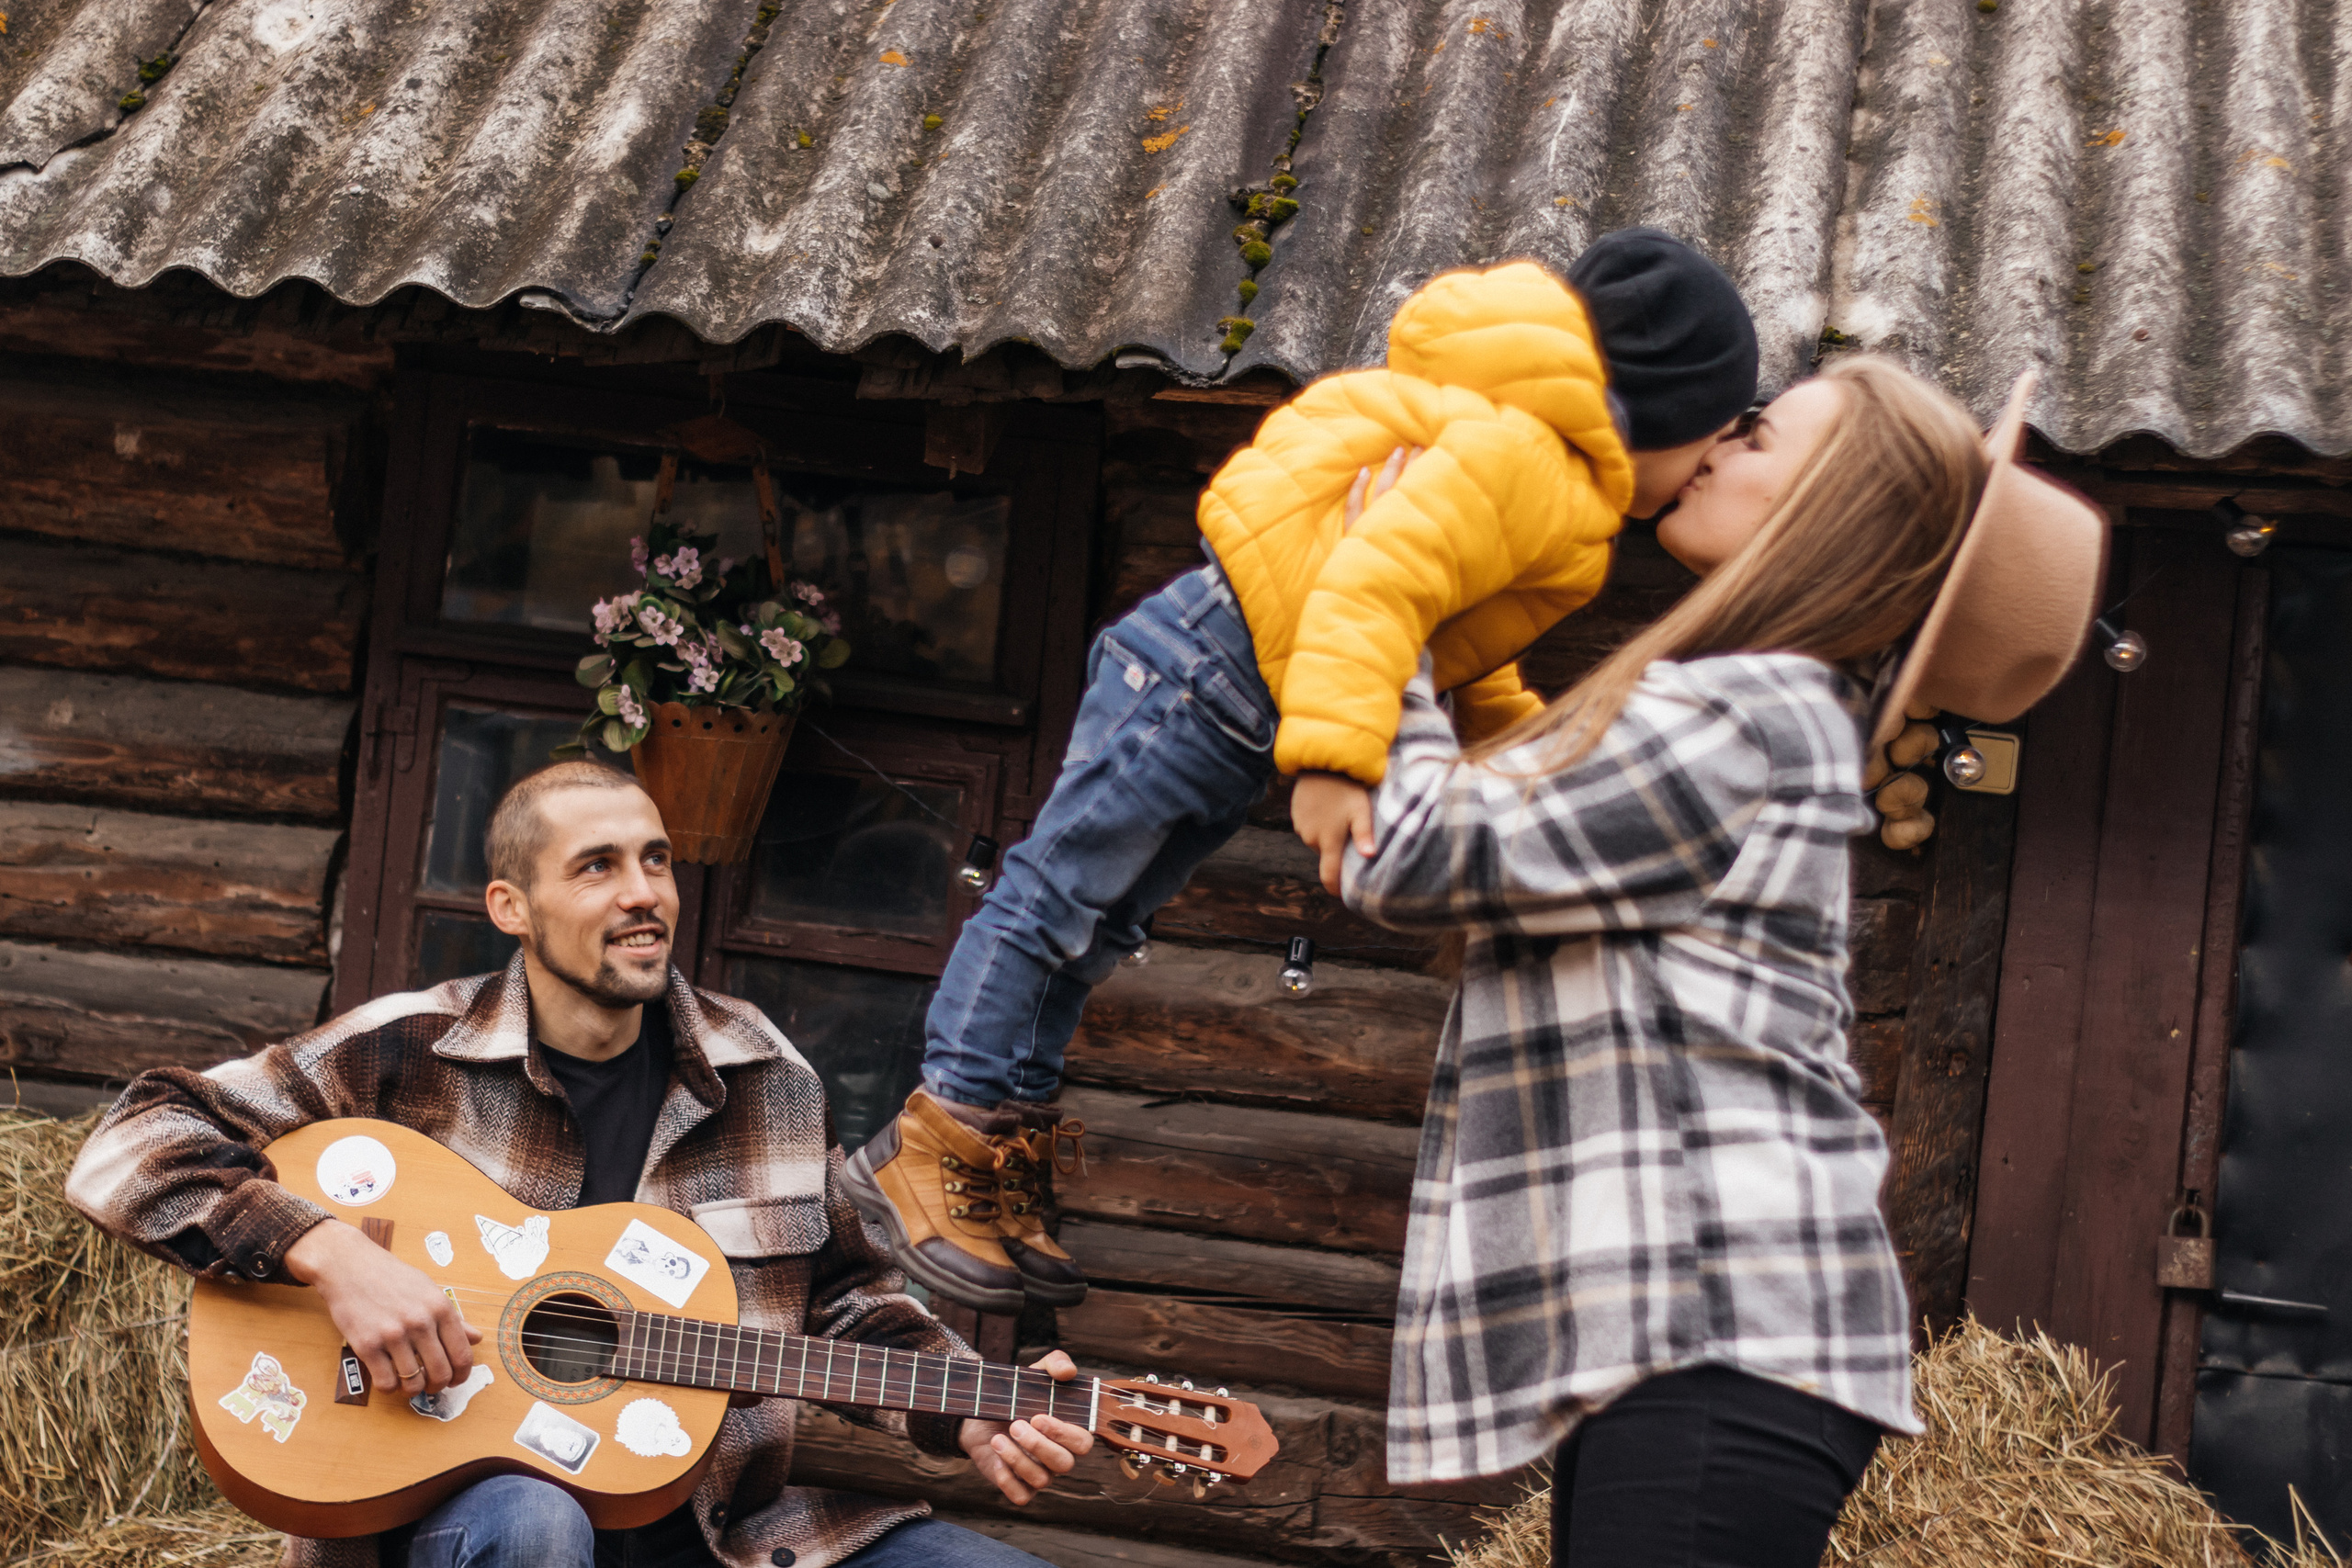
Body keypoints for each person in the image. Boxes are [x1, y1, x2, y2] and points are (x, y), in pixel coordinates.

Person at [849, 230, 1766, 1312]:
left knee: (1097, 931)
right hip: (1209, 667)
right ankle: (936, 1138)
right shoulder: (1534, 469)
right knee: (1053, 902)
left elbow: (1462, 632)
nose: (1714, 460)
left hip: (1231, 684)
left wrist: (1512, 746)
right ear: (1659, 409)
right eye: (1716, 433)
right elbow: (1374, 581)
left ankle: (998, 1160)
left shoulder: (1551, 480)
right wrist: (1337, 759)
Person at [1340, 359, 2104, 1567]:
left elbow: (1415, 848)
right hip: (1695, 1340)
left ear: (1832, 510)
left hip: (1723, 1333)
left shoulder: (1750, 713)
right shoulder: (1748, 710)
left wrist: (1382, 591)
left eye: (1755, 434)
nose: (1709, 443)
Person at [65, 761, 1091, 1568]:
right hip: (463, 1523)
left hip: (728, 1528)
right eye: (597, 867)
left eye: (656, 860)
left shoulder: (765, 1073)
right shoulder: (404, 1051)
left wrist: (972, 1406)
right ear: (511, 907)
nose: (644, 895)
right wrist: (331, 1254)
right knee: (536, 1521)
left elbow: (844, 1302)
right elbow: (128, 1143)